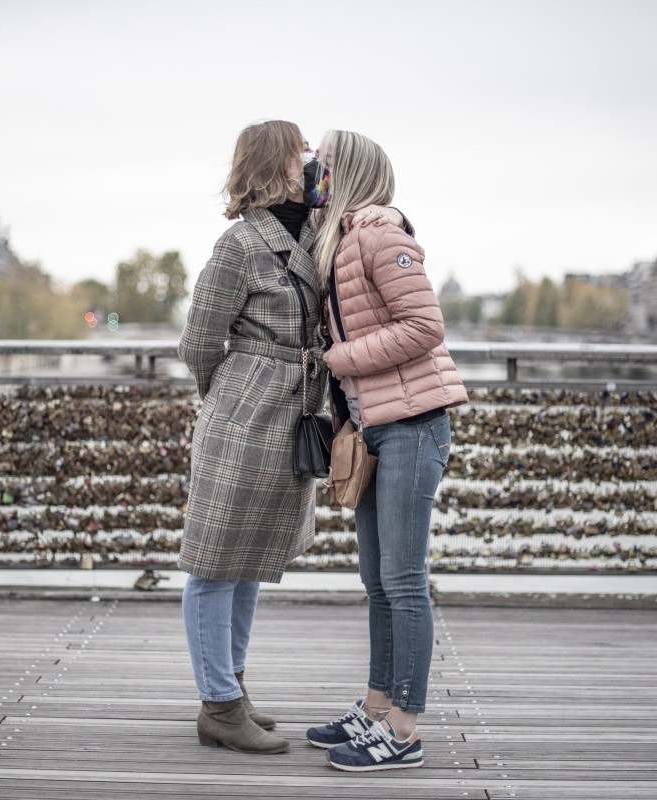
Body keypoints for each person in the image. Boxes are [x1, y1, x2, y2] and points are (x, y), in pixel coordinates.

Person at [177, 120, 408, 755]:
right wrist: (230, 395)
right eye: (301, 150)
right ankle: (218, 705)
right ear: (277, 162)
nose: (312, 161)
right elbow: (198, 342)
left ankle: (233, 688)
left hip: (295, 413)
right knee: (214, 560)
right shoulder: (238, 245)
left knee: (251, 558)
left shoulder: (314, 232)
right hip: (245, 412)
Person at [303, 129, 469, 772]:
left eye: (323, 165)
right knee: (378, 582)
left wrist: (339, 359)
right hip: (377, 427)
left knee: (402, 582)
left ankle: (404, 729)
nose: (314, 172)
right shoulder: (345, 236)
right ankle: (376, 708)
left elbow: (425, 327)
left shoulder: (377, 235)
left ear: (348, 172)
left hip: (414, 423)